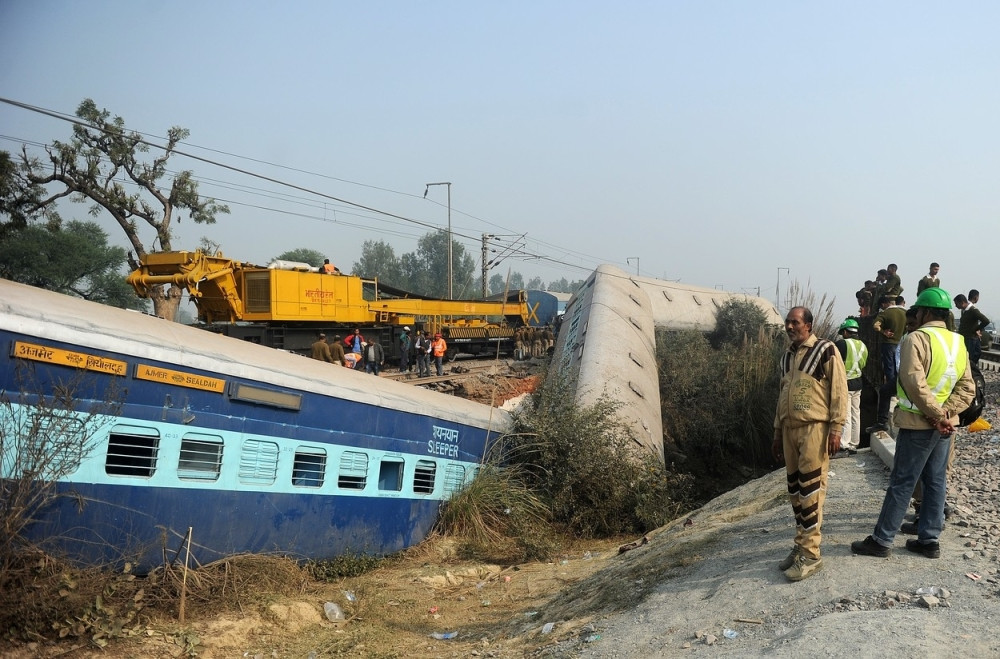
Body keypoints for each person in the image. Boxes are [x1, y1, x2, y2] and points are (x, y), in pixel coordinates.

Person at [851, 287, 975, 560]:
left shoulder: (915, 339)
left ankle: (882, 540)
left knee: (903, 482)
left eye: (917, 311)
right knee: (936, 481)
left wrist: (935, 414)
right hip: (945, 428)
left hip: (919, 424)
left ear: (925, 312)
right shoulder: (958, 342)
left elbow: (912, 382)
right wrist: (945, 414)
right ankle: (929, 540)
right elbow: (968, 388)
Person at [772, 306, 847, 582]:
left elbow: (840, 391)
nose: (790, 327)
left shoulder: (825, 350)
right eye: (787, 322)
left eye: (795, 322)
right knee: (795, 491)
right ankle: (801, 543)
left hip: (815, 427)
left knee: (811, 491)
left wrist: (836, 428)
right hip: (790, 430)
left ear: (809, 325)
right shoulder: (787, 357)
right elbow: (782, 396)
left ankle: (812, 554)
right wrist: (777, 432)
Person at [867, 295, 906, 434]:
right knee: (898, 364)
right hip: (901, 343)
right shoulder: (904, 312)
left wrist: (884, 331)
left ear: (884, 304)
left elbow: (875, 325)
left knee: (889, 367)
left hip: (889, 343)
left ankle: (892, 387)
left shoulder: (885, 313)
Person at [834, 319, 867, 456]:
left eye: (843, 333)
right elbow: (864, 364)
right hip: (858, 382)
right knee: (855, 413)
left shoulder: (842, 344)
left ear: (846, 332)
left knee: (845, 414)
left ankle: (844, 445)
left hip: (845, 383)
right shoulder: (864, 346)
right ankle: (854, 443)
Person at [955, 291, 990, 368]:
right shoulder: (964, 310)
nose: (955, 306)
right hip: (967, 337)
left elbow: (986, 321)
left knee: (973, 356)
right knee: (969, 356)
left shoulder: (973, 310)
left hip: (971, 338)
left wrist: (976, 329)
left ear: (962, 302)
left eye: (956, 304)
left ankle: (971, 370)